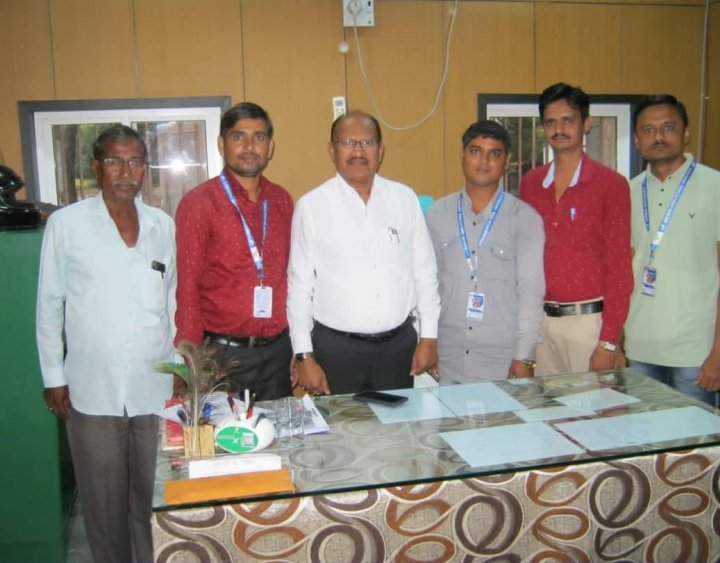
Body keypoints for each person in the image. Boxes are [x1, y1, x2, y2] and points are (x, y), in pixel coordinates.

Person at [36, 125, 175, 562]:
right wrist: (53, 376)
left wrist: (182, 375)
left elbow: (172, 304)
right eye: (114, 160)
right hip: (91, 390)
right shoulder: (67, 224)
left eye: (135, 161)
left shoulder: (162, 225)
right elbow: (49, 305)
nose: (125, 171)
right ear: (96, 166)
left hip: (154, 387)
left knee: (153, 498)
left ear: (146, 169)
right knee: (103, 504)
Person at [287, 110, 441, 395]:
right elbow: (298, 287)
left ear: (380, 151)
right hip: (336, 351)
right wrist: (304, 355)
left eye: (367, 142)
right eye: (347, 143)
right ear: (331, 150)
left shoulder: (404, 199)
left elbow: (424, 272)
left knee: (396, 435)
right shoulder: (311, 206)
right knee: (339, 436)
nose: (357, 151)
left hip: (398, 349)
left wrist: (428, 337)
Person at [624, 94, 720, 404]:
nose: (659, 137)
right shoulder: (627, 191)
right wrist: (617, 342)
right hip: (639, 348)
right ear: (637, 139)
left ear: (686, 133)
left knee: (696, 448)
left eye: (668, 127)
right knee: (645, 446)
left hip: (696, 353)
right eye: (648, 130)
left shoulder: (719, 187)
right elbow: (623, 271)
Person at [175, 102, 294, 401]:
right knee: (225, 445)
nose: (249, 146)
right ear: (221, 144)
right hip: (221, 358)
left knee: (276, 441)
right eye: (238, 137)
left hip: (278, 353)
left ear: (271, 146)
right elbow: (187, 285)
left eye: (259, 137)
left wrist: (299, 348)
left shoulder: (281, 201)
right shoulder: (199, 203)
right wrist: (191, 362)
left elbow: (294, 276)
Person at [520, 82, 633, 376]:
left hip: (588, 326)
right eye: (550, 122)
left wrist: (609, 342)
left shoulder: (611, 185)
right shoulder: (530, 184)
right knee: (549, 418)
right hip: (541, 324)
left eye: (568, 120)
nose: (559, 129)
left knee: (594, 418)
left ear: (586, 124)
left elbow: (620, 267)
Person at [426, 120, 545, 383]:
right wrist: (427, 342)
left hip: (501, 360)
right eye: (475, 150)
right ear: (462, 154)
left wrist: (524, 356)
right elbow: (426, 286)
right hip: (449, 355)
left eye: (494, 153)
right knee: (451, 424)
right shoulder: (437, 215)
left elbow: (531, 292)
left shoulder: (525, 218)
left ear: (507, 160)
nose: (483, 161)